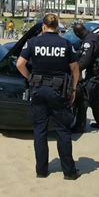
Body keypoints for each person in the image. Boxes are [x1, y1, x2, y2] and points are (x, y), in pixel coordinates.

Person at [16, 13, 81, 180]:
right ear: (57, 26)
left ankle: (41, 171)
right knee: (63, 131)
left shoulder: (32, 42)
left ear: (44, 26)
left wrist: (29, 77)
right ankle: (69, 172)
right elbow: (75, 69)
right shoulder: (66, 44)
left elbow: (19, 64)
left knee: (39, 132)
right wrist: (73, 90)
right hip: (59, 92)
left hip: (38, 90)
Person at [72, 23, 99, 132]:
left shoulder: (89, 42)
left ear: (77, 33)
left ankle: (80, 126)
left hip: (95, 74)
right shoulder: (94, 36)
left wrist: (75, 69)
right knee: (94, 99)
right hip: (96, 73)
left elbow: (84, 62)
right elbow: (82, 53)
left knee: (84, 98)